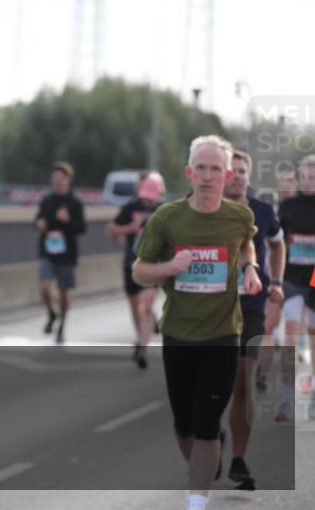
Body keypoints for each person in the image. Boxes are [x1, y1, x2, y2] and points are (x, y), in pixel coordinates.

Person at [133, 135, 261, 510]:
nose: (208, 176)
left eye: (215, 169)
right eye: (201, 168)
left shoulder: (240, 217)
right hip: (178, 332)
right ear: (189, 173)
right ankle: (203, 466)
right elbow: (139, 271)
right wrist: (170, 267)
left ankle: (196, 500)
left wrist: (250, 267)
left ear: (227, 176)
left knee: (206, 423)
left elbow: (247, 243)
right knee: (185, 423)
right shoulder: (167, 218)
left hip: (223, 332)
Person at [221, 149, 285, 490]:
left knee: (244, 382)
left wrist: (275, 280)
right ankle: (210, 436)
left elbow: (277, 244)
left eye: (243, 171)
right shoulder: (206, 210)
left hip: (251, 305)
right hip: (211, 308)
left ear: (249, 175)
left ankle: (239, 460)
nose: (238, 176)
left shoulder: (261, 210)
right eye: (231, 171)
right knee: (214, 381)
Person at [107, 172, 166, 368]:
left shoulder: (163, 210)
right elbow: (112, 229)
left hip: (152, 265)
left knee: (146, 305)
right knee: (136, 307)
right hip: (130, 263)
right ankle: (141, 335)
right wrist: (130, 229)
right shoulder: (130, 207)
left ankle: (142, 347)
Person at [274, 154, 315, 422]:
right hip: (291, 279)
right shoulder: (287, 206)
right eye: (305, 177)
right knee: (290, 337)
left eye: (314, 177)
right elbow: (275, 242)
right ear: (299, 178)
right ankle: (288, 399)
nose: (309, 181)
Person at [35, 161, 86, 343]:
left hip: (66, 253)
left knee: (64, 293)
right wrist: (39, 224)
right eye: (55, 178)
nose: (57, 181)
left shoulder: (75, 202)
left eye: (61, 178)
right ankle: (51, 313)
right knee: (44, 287)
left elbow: (81, 228)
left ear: (68, 179)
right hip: (47, 251)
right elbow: (37, 219)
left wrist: (67, 221)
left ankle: (62, 325)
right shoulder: (47, 200)